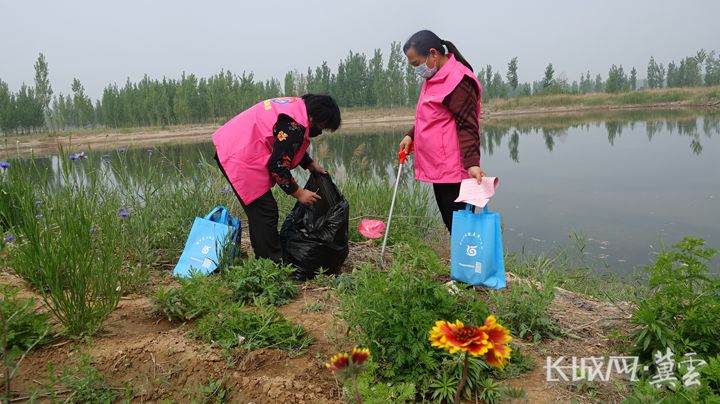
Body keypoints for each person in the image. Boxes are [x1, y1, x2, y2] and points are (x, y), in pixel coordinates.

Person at [212, 94, 341, 262]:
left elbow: (285, 144)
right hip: (238, 155)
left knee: (260, 212)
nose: (320, 131)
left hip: (235, 145)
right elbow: (278, 166)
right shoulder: (293, 125)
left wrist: (309, 163)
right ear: (313, 117)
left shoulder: (296, 109)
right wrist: (299, 193)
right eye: (322, 126)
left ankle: (263, 257)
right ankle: (270, 264)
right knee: (265, 211)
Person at [399, 30, 485, 233]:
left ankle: (469, 263)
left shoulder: (458, 80)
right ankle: (461, 263)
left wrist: (472, 164)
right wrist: (411, 135)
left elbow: (468, 125)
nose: (416, 69)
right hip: (440, 167)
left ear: (433, 54)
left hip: (454, 170)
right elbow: (432, 115)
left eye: (416, 63)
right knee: (452, 224)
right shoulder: (436, 77)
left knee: (461, 226)